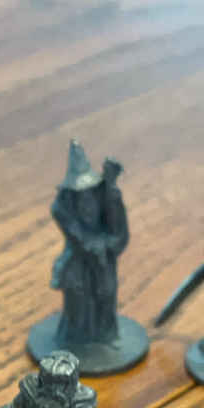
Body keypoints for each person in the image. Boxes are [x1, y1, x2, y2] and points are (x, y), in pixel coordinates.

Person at [50, 140, 129, 344]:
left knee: (106, 292)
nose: (86, 202)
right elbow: (77, 235)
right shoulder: (62, 207)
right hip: (79, 259)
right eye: (79, 192)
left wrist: (111, 186)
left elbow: (117, 230)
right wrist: (95, 245)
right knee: (78, 298)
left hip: (103, 259)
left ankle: (106, 335)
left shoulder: (105, 195)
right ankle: (76, 338)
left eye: (88, 191)